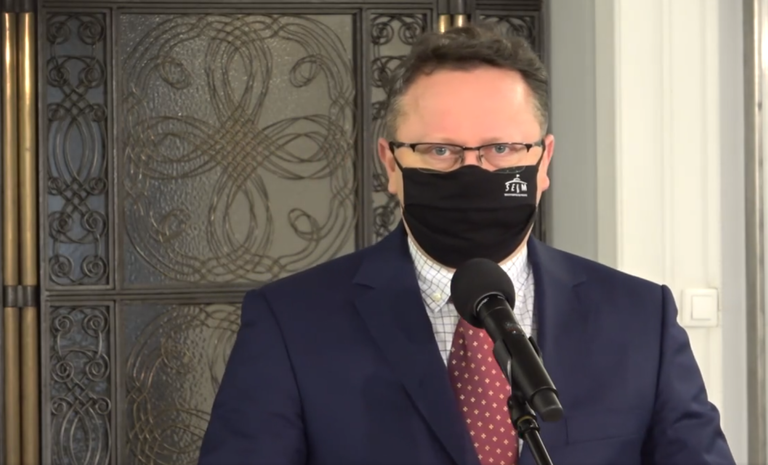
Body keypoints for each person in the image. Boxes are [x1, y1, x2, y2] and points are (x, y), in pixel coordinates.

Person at [198, 25, 735, 465]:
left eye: (502, 148)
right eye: (440, 151)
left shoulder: (640, 319)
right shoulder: (290, 323)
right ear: (391, 164)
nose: (473, 172)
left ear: (543, 161)